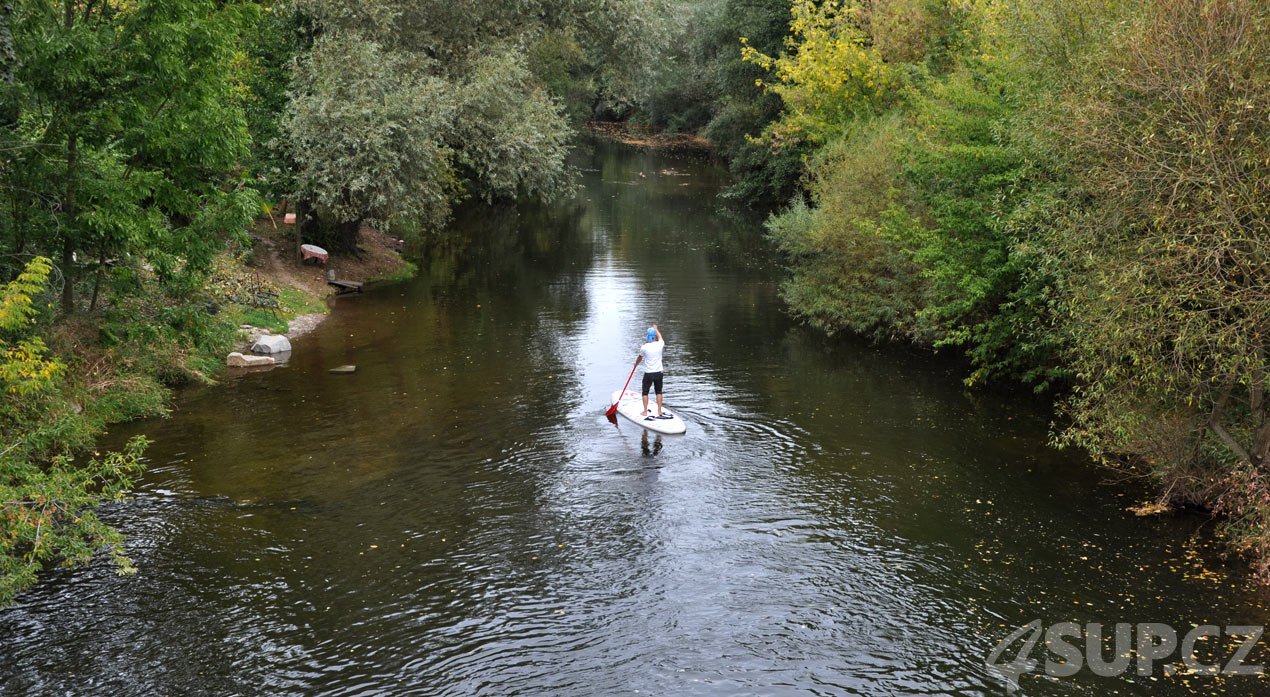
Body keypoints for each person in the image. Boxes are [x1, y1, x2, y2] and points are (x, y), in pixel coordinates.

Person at [633, 324, 666, 418]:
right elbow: (660, 337)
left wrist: (635, 365)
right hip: (659, 372)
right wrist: (656, 329)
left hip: (649, 373)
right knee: (659, 391)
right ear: (655, 335)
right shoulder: (660, 344)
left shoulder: (644, 347)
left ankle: (645, 412)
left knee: (645, 392)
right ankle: (659, 411)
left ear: (647, 335)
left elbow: (639, 358)